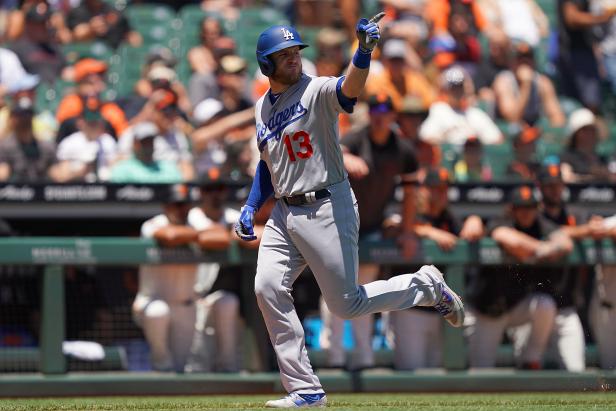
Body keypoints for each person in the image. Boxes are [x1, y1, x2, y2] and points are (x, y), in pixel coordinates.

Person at [233, 16, 465, 408]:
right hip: (284, 213)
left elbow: (349, 88)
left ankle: (425, 286)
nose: (293, 59)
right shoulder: (261, 108)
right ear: (266, 63)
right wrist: (252, 205)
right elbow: (267, 161)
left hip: (326, 205)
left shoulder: (317, 89)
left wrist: (364, 51)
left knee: (346, 304)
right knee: (267, 288)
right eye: (284, 55)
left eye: (295, 53)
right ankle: (305, 390)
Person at [319, 94, 419, 371]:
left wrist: (408, 232)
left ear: (393, 116)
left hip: (373, 225)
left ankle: (364, 358)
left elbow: (411, 192)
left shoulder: (402, 149)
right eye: (375, 109)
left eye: (385, 110)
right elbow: (332, 149)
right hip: (340, 223)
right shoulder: (357, 137)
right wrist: (345, 157)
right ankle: (334, 357)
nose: (379, 115)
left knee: (365, 290)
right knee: (335, 290)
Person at [466, 185, 573, 369]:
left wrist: (543, 249)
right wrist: (541, 249)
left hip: (518, 304)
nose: (526, 212)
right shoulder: (503, 221)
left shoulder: (540, 223)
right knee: (481, 371)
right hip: (490, 307)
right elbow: (505, 237)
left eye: (530, 207)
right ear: (512, 209)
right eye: (521, 207)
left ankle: (531, 359)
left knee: (545, 304)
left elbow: (565, 242)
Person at [132, 183, 200, 372]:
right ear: (166, 206)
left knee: (180, 366)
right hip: (152, 301)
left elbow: (222, 237)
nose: (181, 209)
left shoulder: (195, 224)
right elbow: (170, 236)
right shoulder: (153, 224)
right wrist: (200, 236)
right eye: (176, 204)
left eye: (185, 204)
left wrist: (194, 234)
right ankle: (159, 367)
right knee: (158, 312)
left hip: (185, 305)